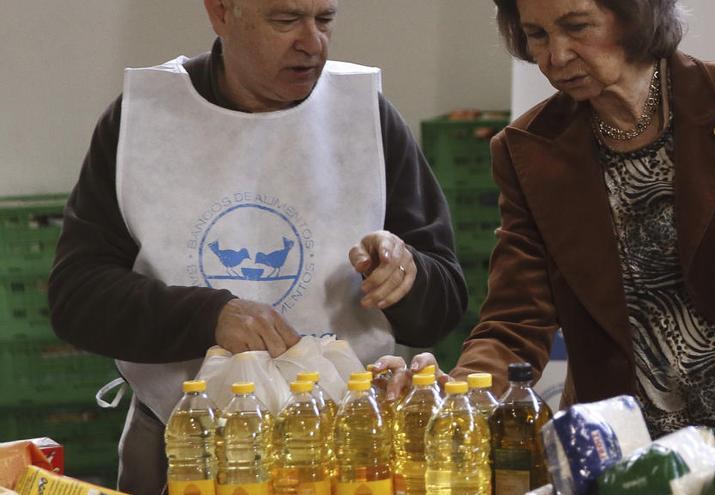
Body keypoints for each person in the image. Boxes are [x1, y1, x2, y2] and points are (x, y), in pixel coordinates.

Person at [377, 0, 715, 438]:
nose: (556, 55)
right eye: (537, 34)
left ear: (636, 13)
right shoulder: (528, 152)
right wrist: (464, 389)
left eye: (577, 26)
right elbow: (515, 318)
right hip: (627, 448)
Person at [47, 0, 466, 492]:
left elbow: (445, 304)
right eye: (285, 20)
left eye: (325, 19)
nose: (312, 43)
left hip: (345, 448)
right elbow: (77, 298)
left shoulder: (365, 116)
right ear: (221, 13)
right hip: (183, 444)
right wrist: (209, 317)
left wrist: (407, 277)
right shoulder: (144, 118)